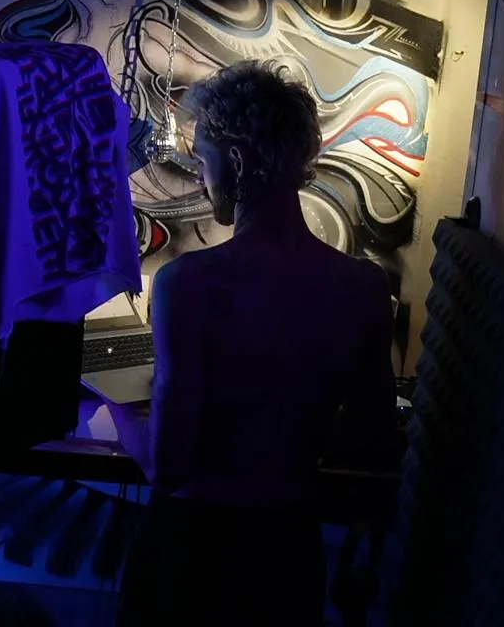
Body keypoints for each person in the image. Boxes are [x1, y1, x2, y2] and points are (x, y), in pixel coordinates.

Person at [105, 61, 398, 626]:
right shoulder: (363, 288)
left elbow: (166, 467)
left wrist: (115, 402)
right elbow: (371, 439)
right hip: (287, 552)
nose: (201, 178)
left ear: (236, 162)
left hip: (190, 552)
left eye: (203, 160)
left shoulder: (188, 284)